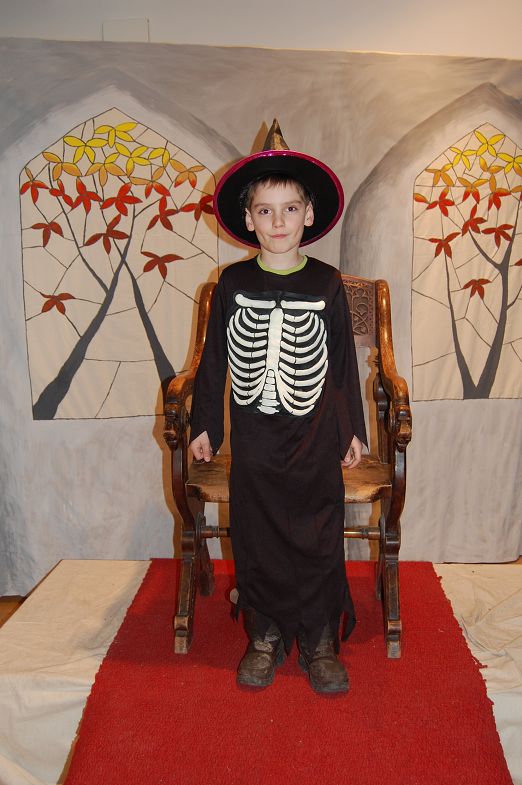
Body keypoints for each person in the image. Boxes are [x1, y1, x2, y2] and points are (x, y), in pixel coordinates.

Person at [189, 120, 367, 694]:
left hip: (315, 434)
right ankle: (264, 634)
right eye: (265, 211)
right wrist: (206, 425)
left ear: (309, 214)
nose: (279, 222)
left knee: (319, 530)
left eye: (290, 209)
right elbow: (214, 360)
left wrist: (352, 430)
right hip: (255, 437)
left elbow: (342, 365)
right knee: (257, 531)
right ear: (248, 219)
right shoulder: (231, 283)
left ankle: (318, 638)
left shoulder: (328, 284)